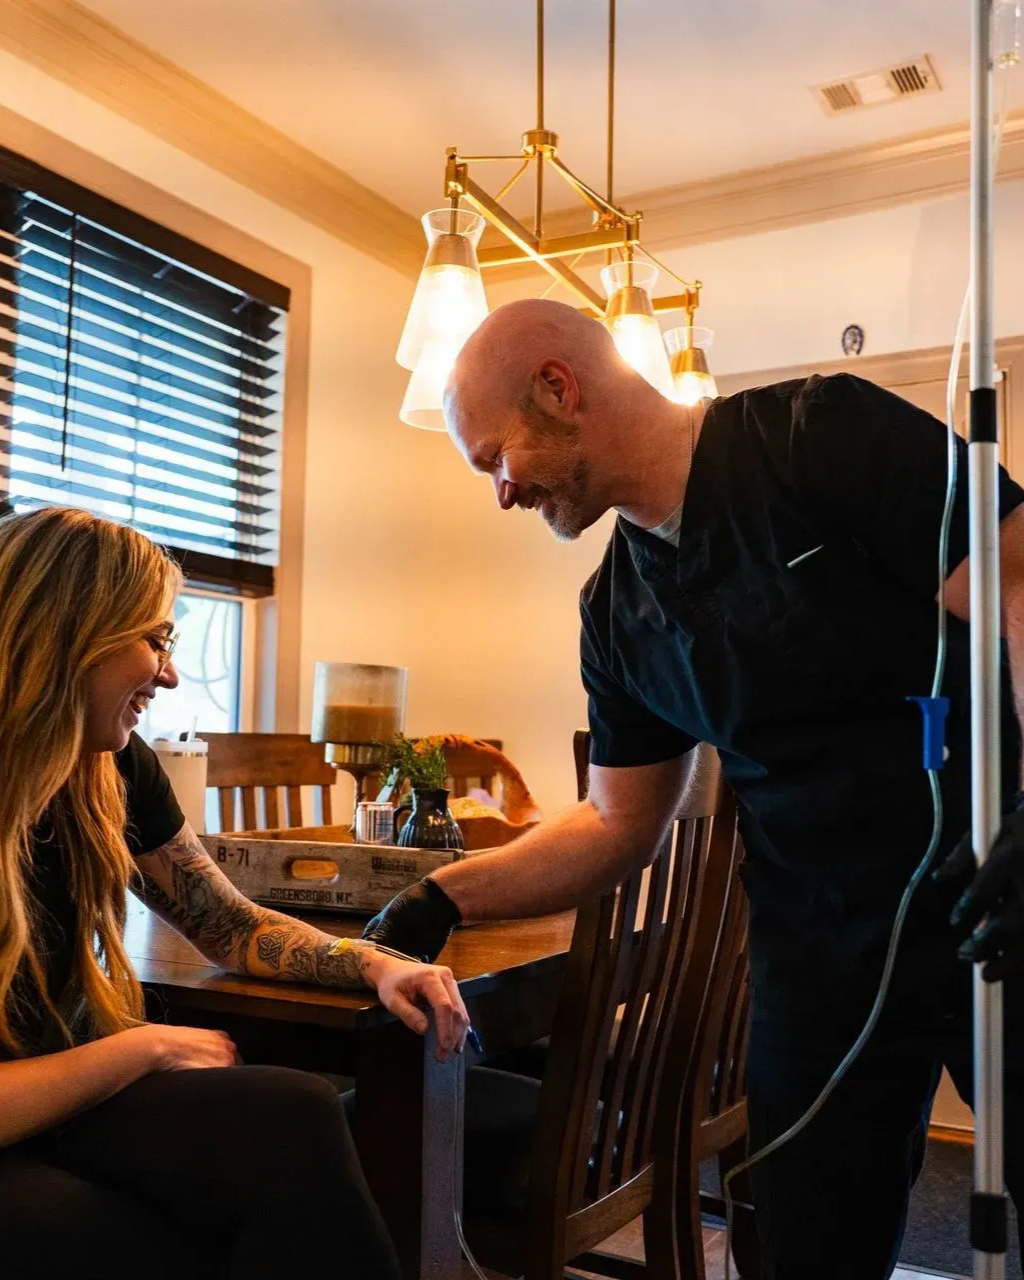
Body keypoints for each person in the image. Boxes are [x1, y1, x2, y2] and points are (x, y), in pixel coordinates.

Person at [363, 298, 1024, 1279]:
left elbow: (1013, 579)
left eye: (494, 456)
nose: (500, 490)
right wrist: (439, 895)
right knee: (807, 1251)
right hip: (819, 955)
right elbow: (616, 821)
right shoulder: (617, 612)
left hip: (992, 893)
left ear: (559, 386)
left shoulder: (819, 433)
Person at [0, 505, 470, 1280]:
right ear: (70, 633)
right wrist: (145, 1046)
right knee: (113, 1235)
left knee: (294, 1114)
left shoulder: (112, 768)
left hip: (59, 1097)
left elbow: (228, 924)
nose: (171, 672)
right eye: (155, 639)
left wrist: (374, 961)